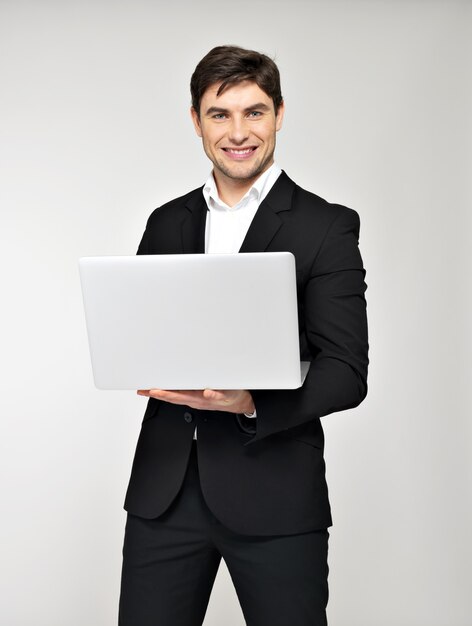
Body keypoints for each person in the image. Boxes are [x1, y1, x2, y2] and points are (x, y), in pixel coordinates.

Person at [118, 45, 368, 626]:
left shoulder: (325, 226)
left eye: (254, 112)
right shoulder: (166, 221)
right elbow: (141, 335)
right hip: (165, 495)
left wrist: (253, 401)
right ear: (196, 121)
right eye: (219, 114)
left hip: (275, 495)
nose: (238, 132)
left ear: (279, 114)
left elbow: (345, 371)